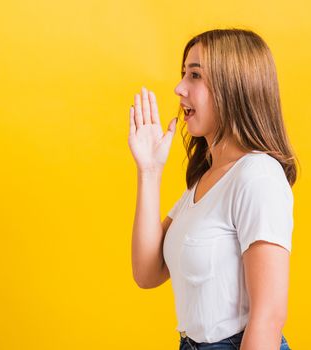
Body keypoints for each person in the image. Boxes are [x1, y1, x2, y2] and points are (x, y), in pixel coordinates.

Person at [128, 28, 299, 350]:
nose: (179, 88)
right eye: (183, 74)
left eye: (195, 75)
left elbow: (269, 315)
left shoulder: (257, 175)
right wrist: (149, 171)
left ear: (233, 86)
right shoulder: (207, 181)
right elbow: (147, 273)